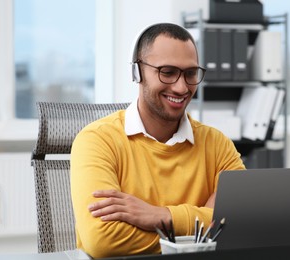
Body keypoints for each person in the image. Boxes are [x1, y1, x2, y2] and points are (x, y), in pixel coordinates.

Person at [70, 22, 245, 258]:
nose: (182, 87)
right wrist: (198, 232)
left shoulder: (217, 144)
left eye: (190, 73)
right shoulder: (97, 141)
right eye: (168, 72)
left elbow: (240, 223)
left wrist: (163, 215)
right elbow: (103, 240)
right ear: (137, 72)